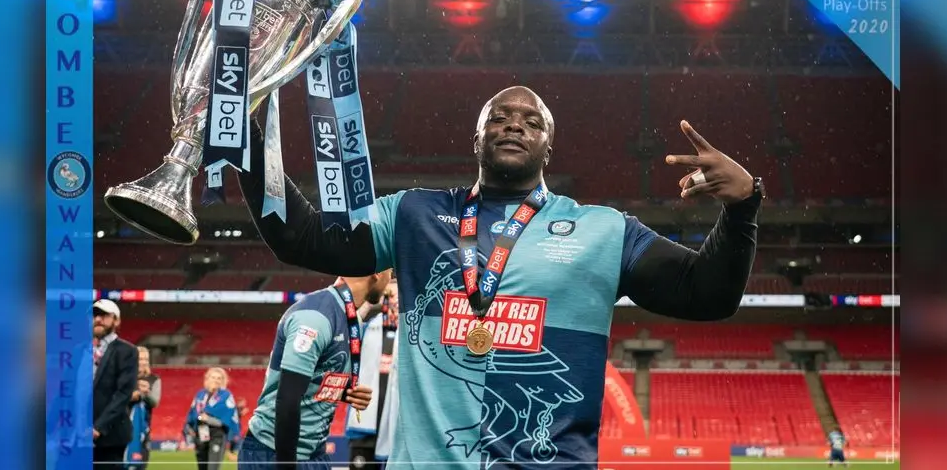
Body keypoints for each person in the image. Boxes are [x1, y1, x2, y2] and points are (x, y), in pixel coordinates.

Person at [237, 86, 763, 468]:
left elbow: (707, 295)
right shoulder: (413, 215)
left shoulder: (603, 230)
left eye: (532, 122)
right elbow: (301, 237)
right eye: (501, 117)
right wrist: (244, 132)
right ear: (478, 137)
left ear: (548, 149)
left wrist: (741, 209)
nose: (515, 125)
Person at [237, 272, 389, 470]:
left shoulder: (350, 317)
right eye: (390, 272)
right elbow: (287, 401)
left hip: (315, 454)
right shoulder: (315, 317)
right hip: (274, 454)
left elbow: (312, 379)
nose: (390, 280)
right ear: (376, 274)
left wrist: (343, 392)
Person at [346, 278, 400, 469]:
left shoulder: (413, 333)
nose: (396, 301)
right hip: (365, 424)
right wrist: (369, 303)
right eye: (390, 295)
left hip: (397, 428)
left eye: (400, 295)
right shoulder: (369, 326)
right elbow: (348, 327)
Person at [91, 299, 139, 469]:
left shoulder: (127, 351)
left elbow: (123, 394)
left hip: (110, 436)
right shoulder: (79, 351)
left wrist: (98, 427)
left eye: (104, 315)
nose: (98, 319)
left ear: (116, 321)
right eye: (95, 315)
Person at [183, 368, 241, 470]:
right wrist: (191, 428)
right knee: (202, 467)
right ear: (207, 379)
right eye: (213, 377)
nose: (216, 380)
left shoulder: (226, 395)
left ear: (223, 381)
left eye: (219, 378)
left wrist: (208, 419)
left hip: (217, 435)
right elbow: (192, 414)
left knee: (212, 468)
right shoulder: (200, 394)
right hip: (201, 434)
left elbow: (227, 420)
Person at [125, 347, 161, 470]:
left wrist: (145, 394)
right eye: (140, 358)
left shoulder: (154, 379)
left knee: (140, 463)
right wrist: (133, 393)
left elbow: (155, 402)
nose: (143, 362)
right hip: (121, 427)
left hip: (142, 428)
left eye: (146, 359)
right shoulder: (123, 376)